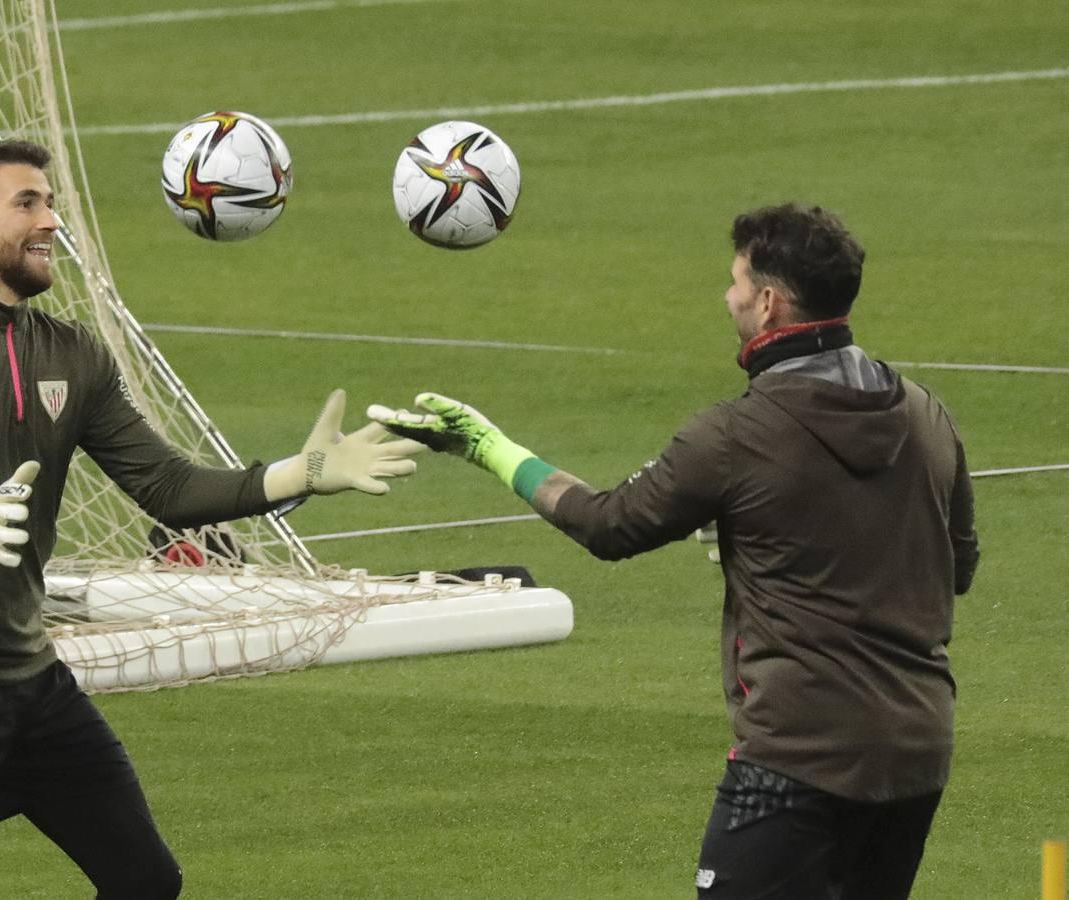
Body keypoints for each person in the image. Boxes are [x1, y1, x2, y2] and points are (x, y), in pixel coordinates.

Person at [0, 139, 423, 900]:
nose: (51, 220)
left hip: (28, 679)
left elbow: (168, 487)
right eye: (28, 203)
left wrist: (300, 474)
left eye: (51, 203)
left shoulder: (72, 353)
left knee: (146, 880)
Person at [370, 203, 980, 899]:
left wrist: (490, 448)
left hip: (798, 758)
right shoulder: (929, 415)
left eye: (736, 283)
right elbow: (957, 568)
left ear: (771, 303)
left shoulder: (736, 435)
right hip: (917, 755)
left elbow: (609, 525)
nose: (728, 298)